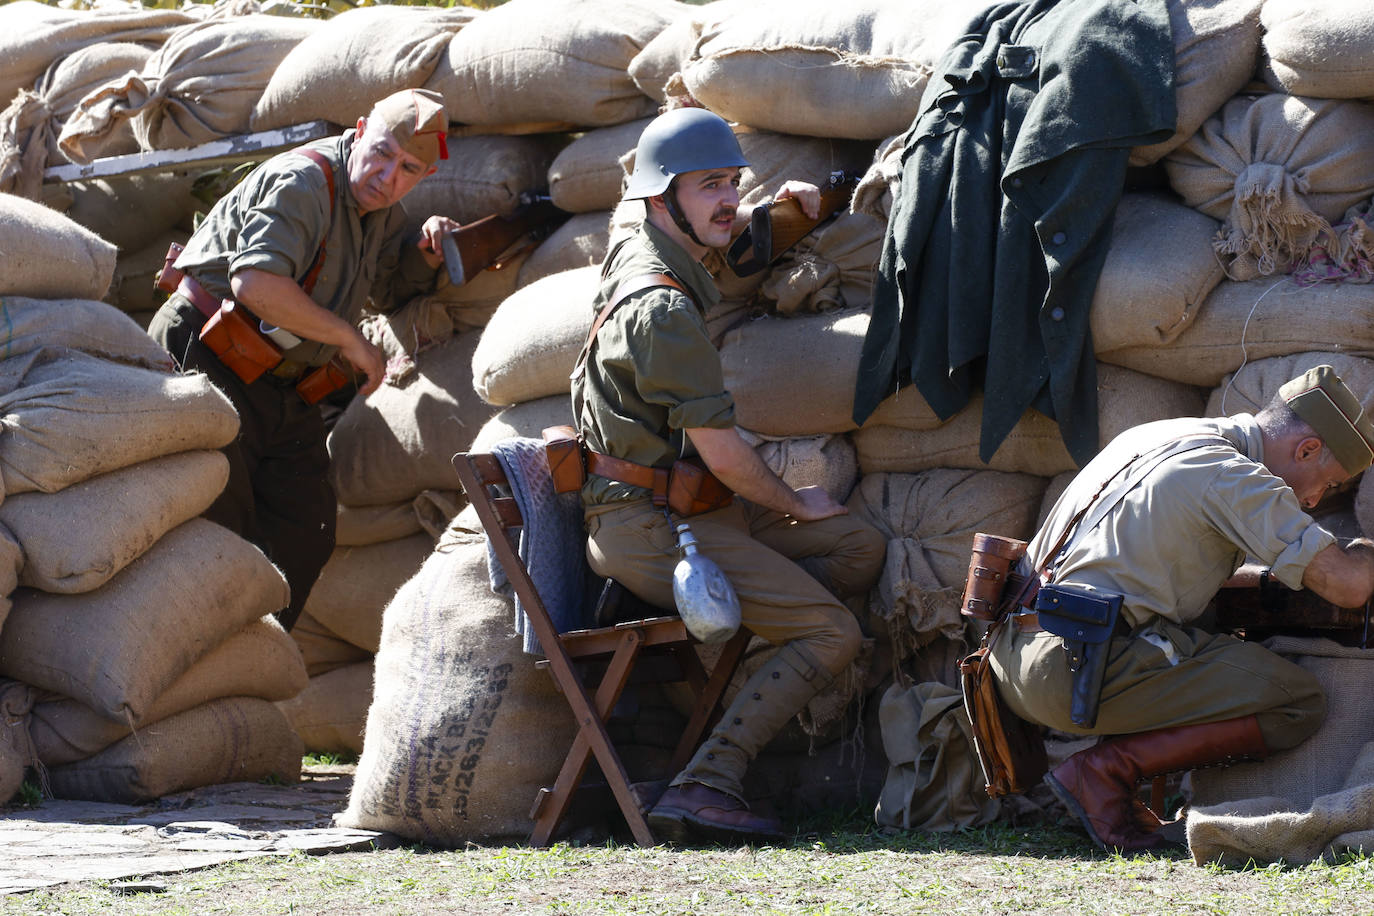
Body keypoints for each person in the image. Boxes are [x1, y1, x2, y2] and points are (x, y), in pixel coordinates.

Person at [570, 107, 886, 843]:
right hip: (652, 525)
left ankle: (760, 649)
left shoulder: (643, 243)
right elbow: (723, 453)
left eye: (732, 182)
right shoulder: (663, 311)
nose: (727, 199)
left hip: (686, 508)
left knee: (859, 547)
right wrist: (794, 503)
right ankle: (709, 779)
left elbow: (720, 245)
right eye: (708, 185)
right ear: (661, 197)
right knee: (833, 632)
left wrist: (778, 219)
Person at [988, 364, 1374, 851]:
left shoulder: (1159, 435)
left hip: (1011, 659)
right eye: (1328, 483)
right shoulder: (1234, 476)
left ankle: (1112, 781)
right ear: (1307, 449)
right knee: (1297, 701)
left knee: (1199, 634)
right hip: (1072, 671)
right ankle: (1104, 772)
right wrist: (1365, 553)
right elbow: (1348, 586)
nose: (1315, 499)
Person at [148, 88, 460, 631]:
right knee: (219, 525)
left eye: (407, 169)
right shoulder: (304, 182)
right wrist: (349, 339)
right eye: (382, 152)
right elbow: (256, 283)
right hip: (208, 353)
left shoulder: (383, 213)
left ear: (424, 176)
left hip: (280, 381)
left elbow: (386, 288)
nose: (387, 175)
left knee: (305, 528)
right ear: (359, 132)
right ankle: (203, 653)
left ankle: (252, 652)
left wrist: (427, 255)